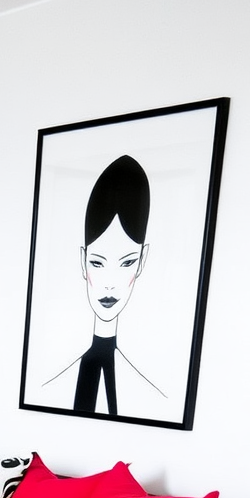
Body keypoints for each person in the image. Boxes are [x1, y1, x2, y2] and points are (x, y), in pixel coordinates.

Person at [42, 154, 165, 417]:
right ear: (82, 262)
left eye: (126, 263)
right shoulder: (50, 388)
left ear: (142, 262)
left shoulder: (150, 396)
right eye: (97, 263)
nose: (109, 285)